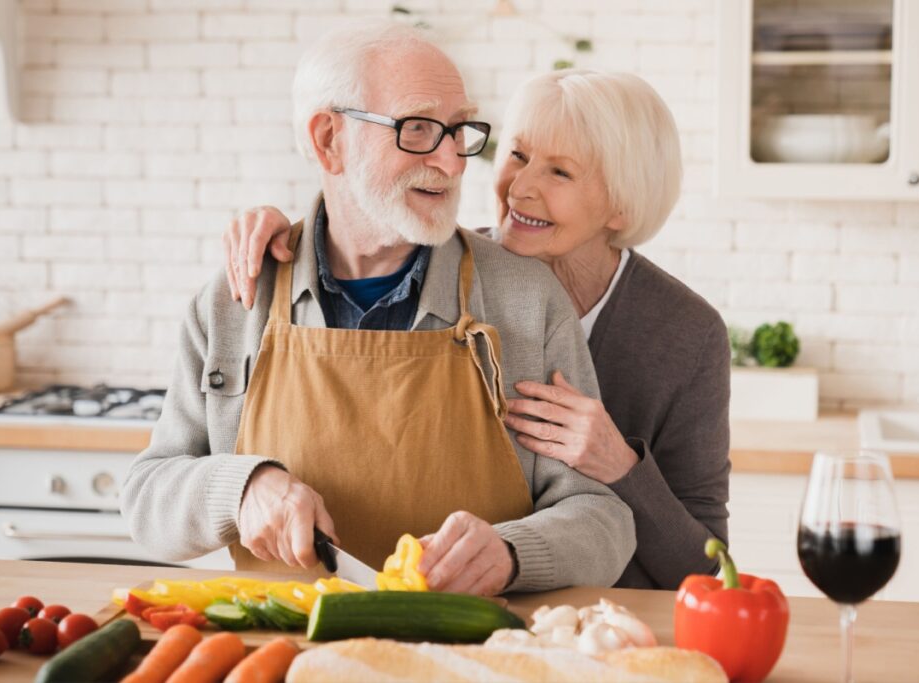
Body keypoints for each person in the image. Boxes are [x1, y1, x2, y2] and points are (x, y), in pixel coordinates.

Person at [121, 22, 635, 597]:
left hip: (473, 657)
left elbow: (603, 518)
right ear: (328, 141)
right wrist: (241, 489)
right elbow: (146, 500)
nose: (453, 162)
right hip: (287, 656)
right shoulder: (235, 301)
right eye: (418, 129)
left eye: (459, 129)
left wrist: (514, 552)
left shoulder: (527, 299)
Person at [223, 68, 731, 590]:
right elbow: (358, 222)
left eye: (560, 173)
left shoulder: (688, 335)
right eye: (517, 155)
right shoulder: (442, 265)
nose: (521, 189)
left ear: (622, 203)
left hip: (613, 619)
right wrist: (285, 234)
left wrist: (620, 465)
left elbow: (704, 566)